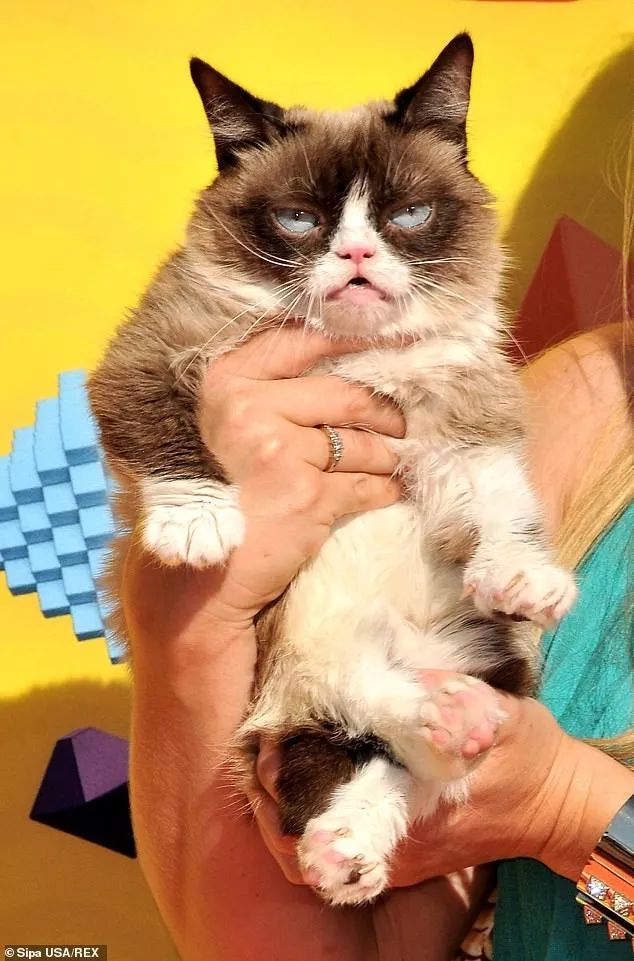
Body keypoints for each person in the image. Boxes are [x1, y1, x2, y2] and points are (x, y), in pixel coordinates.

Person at [122, 321, 633, 961]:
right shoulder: (595, 394)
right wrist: (193, 631)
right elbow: (336, 944)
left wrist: (564, 811)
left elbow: (533, 796)